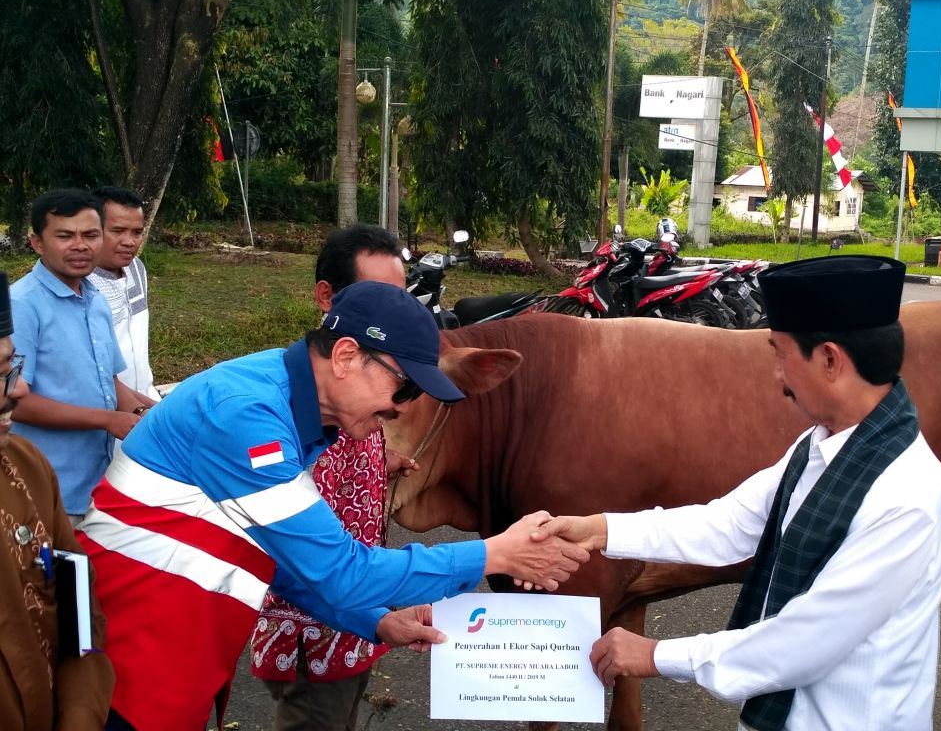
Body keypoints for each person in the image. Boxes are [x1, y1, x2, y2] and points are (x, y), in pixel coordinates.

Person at [76, 280, 588, 731]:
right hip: (123, 668)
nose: (403, 407)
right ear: (345, 356)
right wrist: (494, 554)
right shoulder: (248, 421)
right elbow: (342, 570)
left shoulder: (281, 405)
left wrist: (376, 622)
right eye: (404, 385)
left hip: (166, 655)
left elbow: (282, 558)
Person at [534, 255, 941, 731]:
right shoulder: (822, 444)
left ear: (830, 360)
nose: (777, 377)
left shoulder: (907, 498)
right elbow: (730, 524)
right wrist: (598, 530)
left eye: (780, 355)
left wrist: (656, 655)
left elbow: (801, 643)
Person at [250, 224, 412, 730]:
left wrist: (377, 462)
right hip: (315, 625)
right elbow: (306, 548)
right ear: (326, 298)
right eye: (378, 297)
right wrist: (486, 556)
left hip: (356, 619)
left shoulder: (366, 379)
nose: (395, 314)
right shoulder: (295, 410)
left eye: (401, 298)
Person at [0, 272, 115, 730]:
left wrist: (80, 718)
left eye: (12, 366)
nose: (21, 389)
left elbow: (81, 626)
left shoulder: (27, 467)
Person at [11, 190, 150, 522]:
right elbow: (14, 401)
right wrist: (107, 420)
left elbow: (110, 382)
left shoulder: (95, 298)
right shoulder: (21, 305)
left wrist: (156, 415)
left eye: (90, 235)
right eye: (65, 236)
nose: (81, 245)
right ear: (37, 242)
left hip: (97, 485)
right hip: (44, 490)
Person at [86, 187, 160, 405]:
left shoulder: (136, 267)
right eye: (117, 231)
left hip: (144, 395)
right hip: (103, 408)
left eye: (137, 232)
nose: (130, 242)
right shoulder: (80, 283)